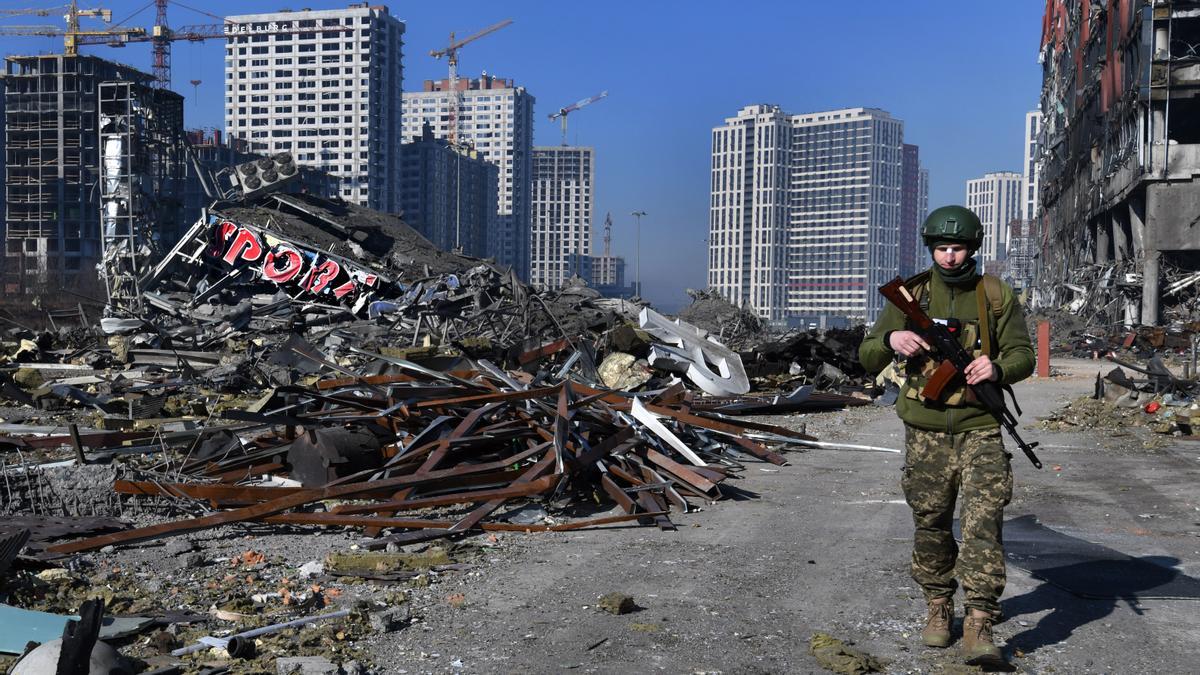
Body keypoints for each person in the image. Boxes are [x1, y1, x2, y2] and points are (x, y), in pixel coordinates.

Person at [858, 205, 1034, 666]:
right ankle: (938, 607)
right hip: (925, 430)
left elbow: (1023, 355)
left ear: (971, 248)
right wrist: (892, 341)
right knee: (931, 523)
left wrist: (997, 367)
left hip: (979, 428)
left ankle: (979, 619)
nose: (949, 257)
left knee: (983, 525)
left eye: (956, 248)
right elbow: (867, 354)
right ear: (931, 249)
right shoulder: (908, 296)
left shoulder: (995, 295)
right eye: (941, 248)